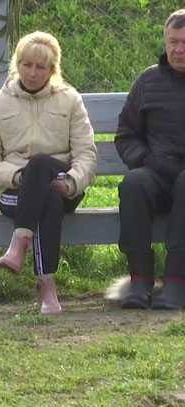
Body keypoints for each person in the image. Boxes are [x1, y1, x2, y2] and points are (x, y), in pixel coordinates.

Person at [0, 31, 97, 314]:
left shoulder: (69, 99)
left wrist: (71, 182)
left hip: (63, 186)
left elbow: (86, 154)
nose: (32, 73)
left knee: (42, 166)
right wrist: (19, 177)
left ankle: (19, 243)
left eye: (40, 67)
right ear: (17, 64)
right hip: (15, 191)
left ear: (52, 70)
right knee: (44, 196)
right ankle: (47, 289)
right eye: (26, 65)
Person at [114, 9, 185, 310]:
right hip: (156, 175)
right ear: (165, 41)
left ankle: (176, 283)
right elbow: (126, 134)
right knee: (133, 182)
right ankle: (140, 280)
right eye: (173, 41)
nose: (179, 49)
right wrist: (144, 160)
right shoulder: (148, 81)